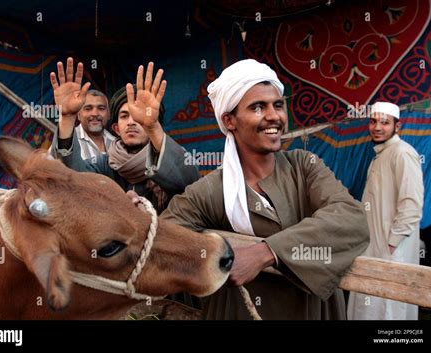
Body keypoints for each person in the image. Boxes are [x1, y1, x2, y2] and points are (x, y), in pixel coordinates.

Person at [157, 59, 370, 319]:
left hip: (310, 310)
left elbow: (351, 218)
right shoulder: (212, 190)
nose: (274, 116)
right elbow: (161, 239)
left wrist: (266, 252)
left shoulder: (303, 166)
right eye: (258, 107)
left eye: (278, 105)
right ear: (230, 120)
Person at [49, 58, 200, 213]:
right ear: (116, 129)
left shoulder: (172, 158)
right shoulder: (105, 164)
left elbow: (190, 183)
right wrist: (67, 118)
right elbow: (72, 179)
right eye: (124, 116)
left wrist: (153, 128)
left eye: (139, 116)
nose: (131, 122)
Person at [347, 102, 424, 320]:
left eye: (385, 122)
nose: (377, 127)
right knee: (370, 304)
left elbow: (412, 204)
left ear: (397, 126)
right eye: (373, 121)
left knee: (390, 308)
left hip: (391, 250)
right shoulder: (381, 155)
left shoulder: (403, 153)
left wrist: (392, 243)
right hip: (375, 246)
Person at [48, 89, 115, 162]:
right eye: (88, 109)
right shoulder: (66, 142)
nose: (95, 113)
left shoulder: (116, 144)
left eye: (101, 108)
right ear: (79, 114)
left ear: (108, 114)